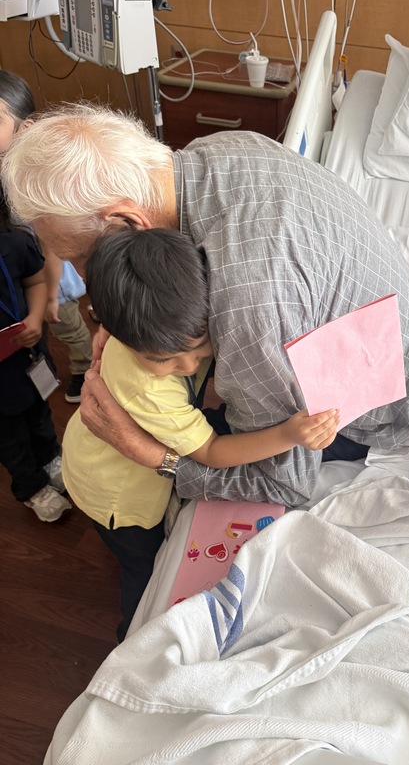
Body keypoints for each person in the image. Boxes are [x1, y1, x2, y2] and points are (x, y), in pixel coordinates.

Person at [2, 103, 409, 508]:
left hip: (387, 418)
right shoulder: (212, 153)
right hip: (401, 343)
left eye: (82, 260)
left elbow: (283, 483)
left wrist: (151, 455)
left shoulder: (245, 301)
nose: (85, 281)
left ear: (127, 222)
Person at [63, 227, 338, 640]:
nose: (189, 366)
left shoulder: (163, 317)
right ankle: (132, 641)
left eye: (200, 346)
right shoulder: (146, 387)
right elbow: (210, 451)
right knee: (143, 569)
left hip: (88, 457)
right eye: (165, 359)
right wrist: (288, 434)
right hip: (116, 495)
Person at [0, 70, 92, 403]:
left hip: (55, 279)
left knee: (68, 327)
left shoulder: (30, 181)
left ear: (24, 128)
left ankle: (83, 367)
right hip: (28, 272)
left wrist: (52, 296)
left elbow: (52, 248)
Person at [0, 185, 71, 521]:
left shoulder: (15, 241)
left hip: (27, 355)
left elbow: (35, 282)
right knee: (9, 438)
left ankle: (50, 458)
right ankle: (31, 486)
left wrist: (34, 317)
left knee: (40, 415)